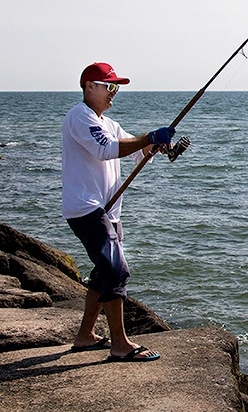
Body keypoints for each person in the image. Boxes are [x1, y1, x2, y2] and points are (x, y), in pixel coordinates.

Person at [62, 62, 175, 362]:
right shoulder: (79, 117)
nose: (115, 93)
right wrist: (150, 137)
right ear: (89, 87)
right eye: (109, 86)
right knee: (116, 270)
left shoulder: (108, 123)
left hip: (108, 211)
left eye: (117, 87)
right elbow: (106, 149)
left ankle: (85, 336)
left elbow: (132, 148)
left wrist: (154, 146)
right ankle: (120, 344)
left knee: (102, 273)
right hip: (87, 208)